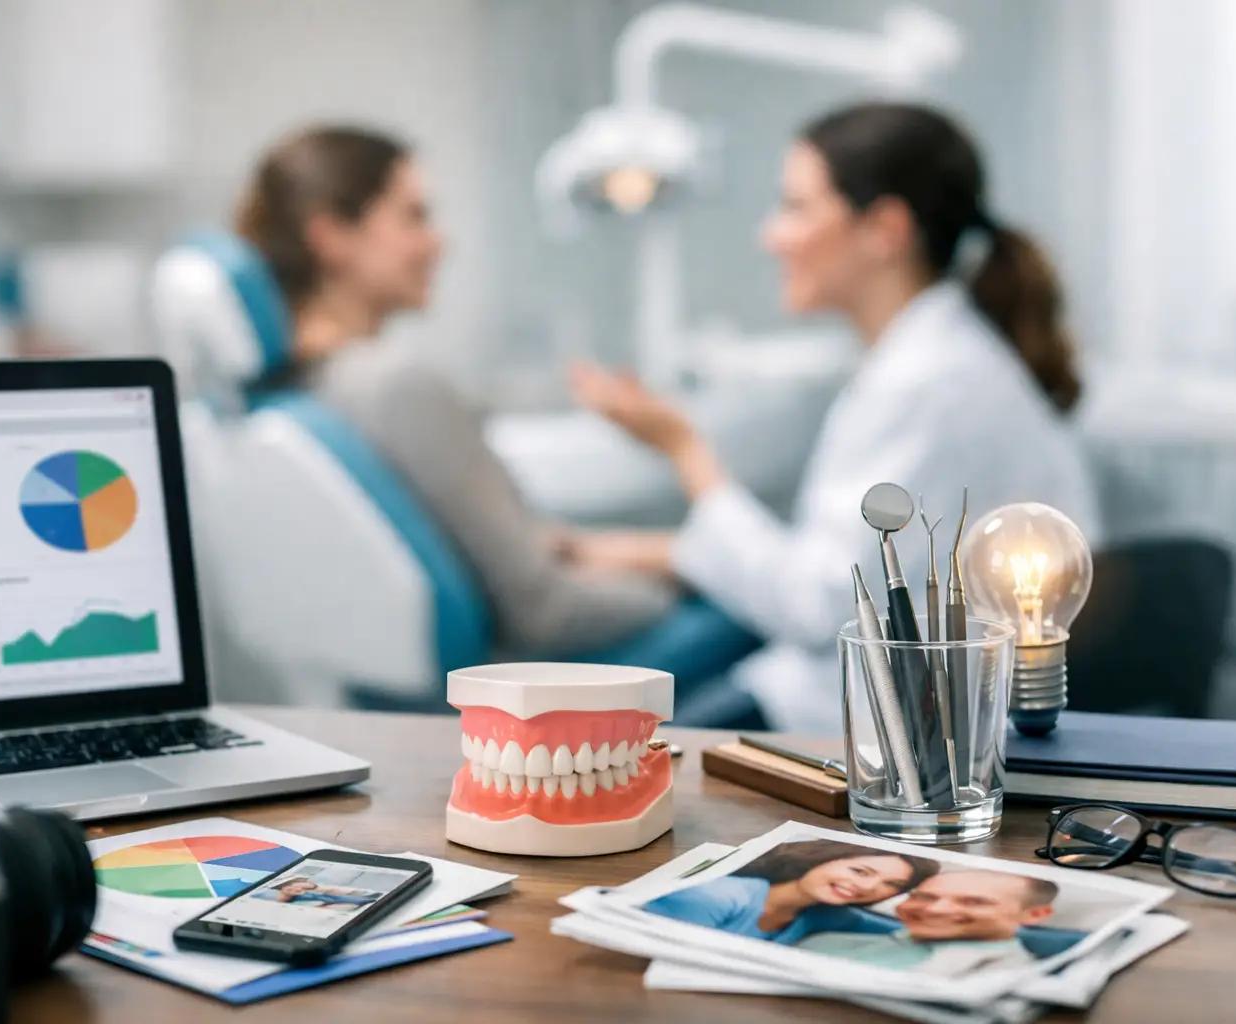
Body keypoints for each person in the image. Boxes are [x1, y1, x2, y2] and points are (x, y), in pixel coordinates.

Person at [567, 102, 1101, 732]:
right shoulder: (937, 359)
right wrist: (650, 552)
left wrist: (686, 451)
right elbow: (841, 568)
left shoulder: (926, 382)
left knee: (630, 740)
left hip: (888, 734)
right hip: (872, 699)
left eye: (795, 207)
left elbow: (814, 607)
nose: (771, 235)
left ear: (885, 230)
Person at [236, 126, 677, 655]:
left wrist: (637, 555)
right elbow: (548, 613)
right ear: (332, 236)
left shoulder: (299, 396)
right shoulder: (395, 388)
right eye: (414, 216)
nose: (438, 241)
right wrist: (702, 586)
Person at [642, 839, 939, 945]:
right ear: (819, 859)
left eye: (890, 885)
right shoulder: (718, 896)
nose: (869, 888)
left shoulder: (823, 914)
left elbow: (913, 928)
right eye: (860, 871)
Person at [798, 870, 1061, 976]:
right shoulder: (822, 942)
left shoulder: (1016, 976)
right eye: (924, 897)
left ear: (1034, 915)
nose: (936, 910)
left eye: (973, 902)